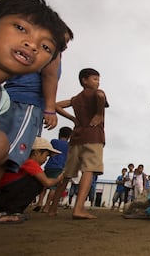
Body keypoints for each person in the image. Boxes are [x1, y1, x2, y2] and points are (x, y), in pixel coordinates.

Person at [0, 0, 69, 225]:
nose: (32, 44)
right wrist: (50, 108)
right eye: (20, 28)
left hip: (11, 102)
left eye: (47, 46)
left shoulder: (1, 98)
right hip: (28, 104)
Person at [48, 68, 109, 219]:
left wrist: (72, 119)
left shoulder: (76, 99)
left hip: (76, 138)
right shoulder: (97, 93)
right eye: (94, 78)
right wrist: (99, 114)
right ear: (84, 80)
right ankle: (79, 209)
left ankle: (52, 208)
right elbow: (101, 95)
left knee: (67, 173)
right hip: (93, 136)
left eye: (98, 79)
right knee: (89, 170)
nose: (98, 82)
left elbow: (56, 105)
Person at [0, 137, 63, 215]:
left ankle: (11, 209)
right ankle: (12, 210)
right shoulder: (30, 163)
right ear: (36, 153)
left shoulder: (22, 160)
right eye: (46, 155)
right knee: (37, 183)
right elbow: (47, 183)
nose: (46, 159)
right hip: (1, 198)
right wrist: (59, 178)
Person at [35, 127, 72, 212]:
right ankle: (47, 206)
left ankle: (39, 202)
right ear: (69, 136)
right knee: (53, 188)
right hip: (59, 167)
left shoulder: (54, 141)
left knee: (44, 185)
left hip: (49, 166)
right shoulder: (69, 145)